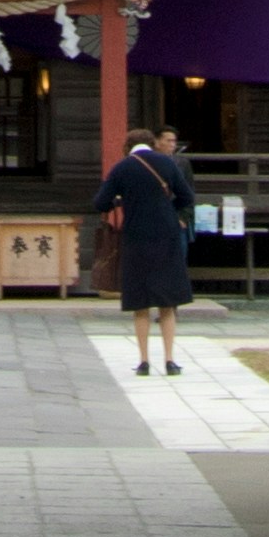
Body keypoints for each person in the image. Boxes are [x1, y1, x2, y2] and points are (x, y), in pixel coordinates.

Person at [97, 117, 198, 374]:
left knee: (141, 302)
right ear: (152, 144)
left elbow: (100, 202)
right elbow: (187, 197)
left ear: (127, 146)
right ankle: (170, 360)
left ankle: (143, 361)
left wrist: (122, 202)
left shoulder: (122, 168)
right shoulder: (167, 163)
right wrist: (168, 210)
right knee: (167, 302)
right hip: (166, 235)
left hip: (136, 236)